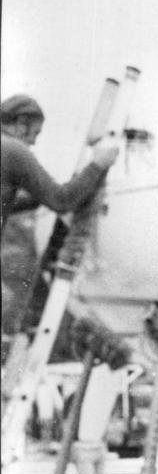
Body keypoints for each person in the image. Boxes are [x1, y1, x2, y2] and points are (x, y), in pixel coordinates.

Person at [1, 94, 119, 346]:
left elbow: (10, 202)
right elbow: (62, 200)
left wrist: (37, 196)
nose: (32, 143)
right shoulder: (13, 149)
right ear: (21, 123)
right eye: (34, 134)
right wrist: (97, 165)